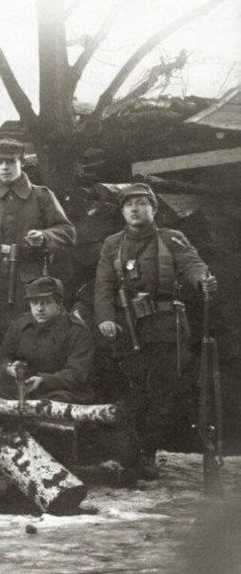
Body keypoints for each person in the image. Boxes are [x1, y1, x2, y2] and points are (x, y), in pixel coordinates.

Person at [94, 183, 216, 480]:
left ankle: (148, 452)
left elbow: (192, 264)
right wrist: (106, 318)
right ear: (122, 211)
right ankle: (130, 454)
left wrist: (203, 280)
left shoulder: (172, 238)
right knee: (132, 391)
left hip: (165, 329)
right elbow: (104, 285)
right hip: (128, 329)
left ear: (154, 208)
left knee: (162, 393)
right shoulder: (113, 243)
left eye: (142, 203)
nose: (135, 209)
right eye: (129, 205)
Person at [0, 138, 76, 360]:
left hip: (30, 279)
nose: (4, 167)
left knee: (30, 332)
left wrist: (44, 237)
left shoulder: (41, 195)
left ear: (21, 162)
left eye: (10, 162)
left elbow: (67, 232)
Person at [0, 276, 94, 403]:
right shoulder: (19, 325)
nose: (39, 309)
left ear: (59, 303)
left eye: (46, 302)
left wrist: (44, 380)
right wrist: (9, 367)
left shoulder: (78, 332)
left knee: (54, 404)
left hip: (62, 392)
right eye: (34, 302)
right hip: (24, 390)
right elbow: (4, 356)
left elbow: (77, 374)